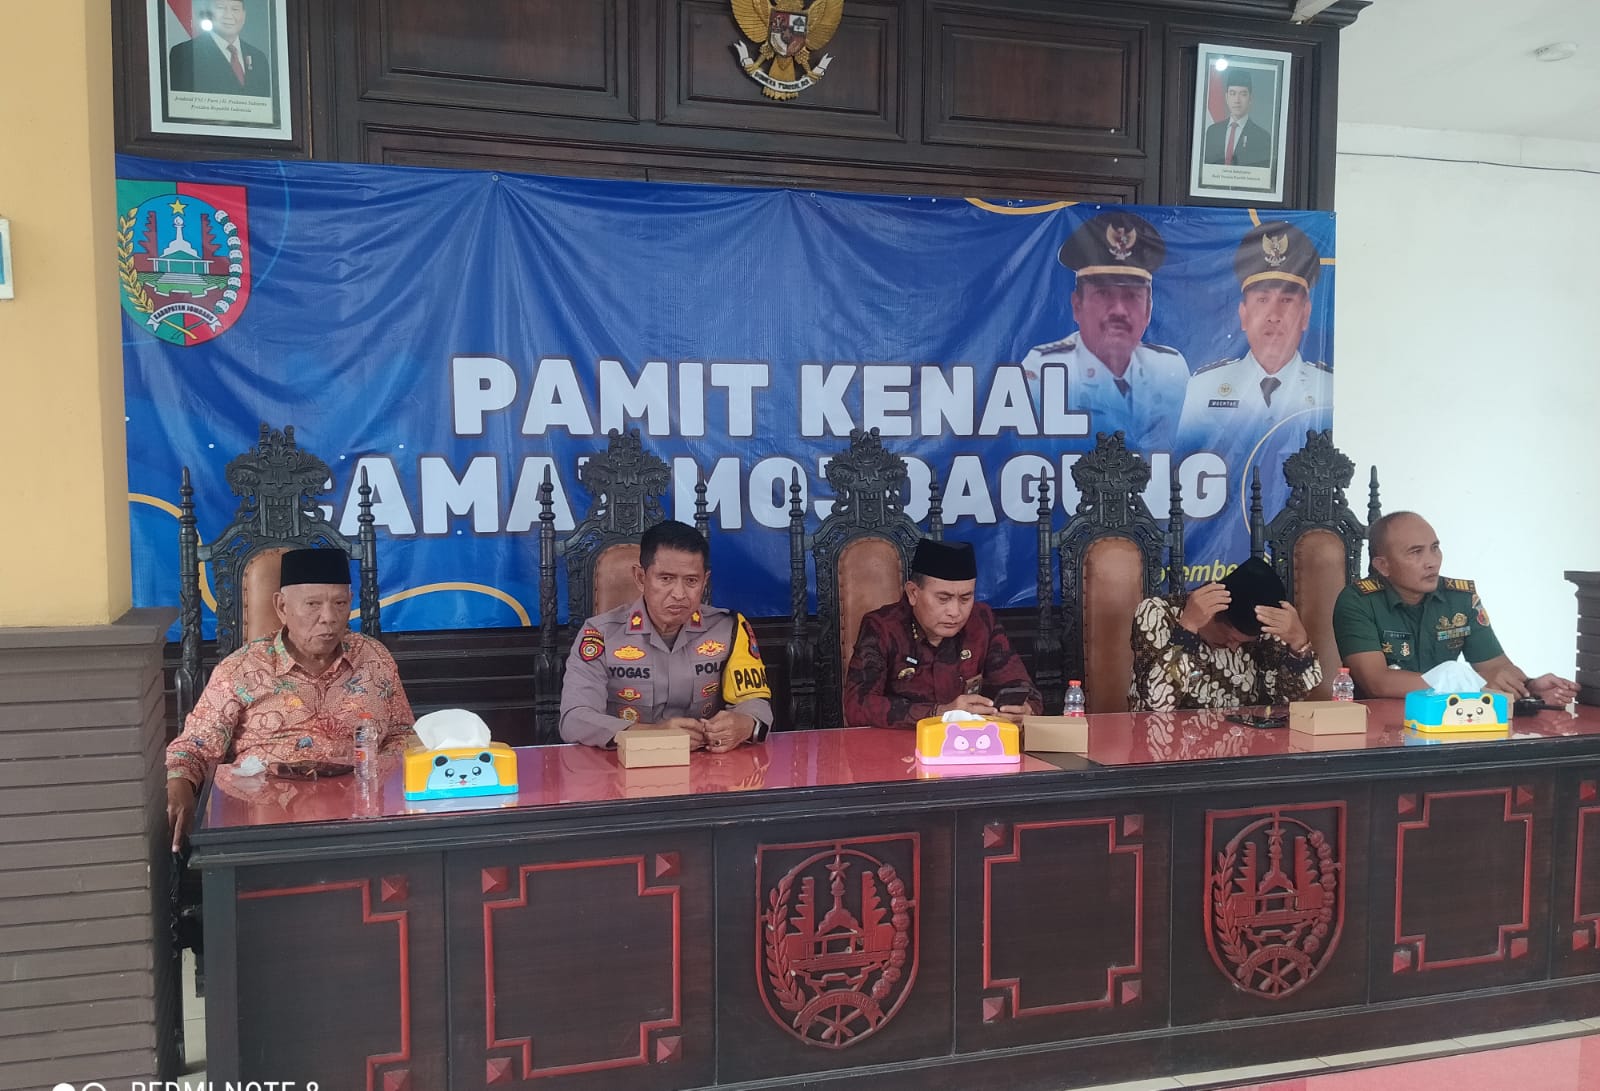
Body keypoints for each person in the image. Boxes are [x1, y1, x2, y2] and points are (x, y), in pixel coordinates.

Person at [165, 548, 415, 849]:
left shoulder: (374, 658)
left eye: (339, 603)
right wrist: (180, 785)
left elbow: (403, 735)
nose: (329, 618)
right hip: (268, 831)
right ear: (282, 606)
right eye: (313, 604)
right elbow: (194, 748)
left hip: (361, 824)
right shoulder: (241, 669)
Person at [560, 520, 773, 750]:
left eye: (691, 581)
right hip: (625, 763)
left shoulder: (728, 629)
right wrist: (652, 734)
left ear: (704, 581)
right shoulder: (599, 634)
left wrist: (746, 723)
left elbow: (754, 701)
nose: (679, 594)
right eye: (666, 579)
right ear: (641, 578)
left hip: (709, 763)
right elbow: (574, 719)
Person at [1332, 511, 1580, 703]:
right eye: (1416, 552)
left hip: (1451, 720)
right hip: (1381, 727)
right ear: (1383, 566)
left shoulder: (1459, 599)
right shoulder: (1358, 601)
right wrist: (1463, 684)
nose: (1432, 562)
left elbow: (1495, 668)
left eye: (1435, 548)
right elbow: (1378, 683)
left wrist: (1531, 687)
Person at [1020, 211, 1190, 451]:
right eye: (1103, 294)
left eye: (1132, 296)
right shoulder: (1045, 368)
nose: (1118, 310)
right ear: (1077, 305)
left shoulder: (1170, 369)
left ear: (1148, 310)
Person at [843, 539, 1042, 729]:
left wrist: (1025, 710)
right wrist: (941, 713)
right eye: (943, 599)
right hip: (901, 745)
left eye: (965, 598)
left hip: (969, 745)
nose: (955, 612)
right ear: (913, 593)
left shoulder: (982, 621)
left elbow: (1025, 689)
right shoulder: (883, 627)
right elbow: (857, 706)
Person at [1178, 220, 1331, 447]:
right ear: (1243, 314)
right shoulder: (1204, 387)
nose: (1274, 316)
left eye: (1286, 300)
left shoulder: (1328, 389)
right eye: (1262, 300)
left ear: (1305, 314)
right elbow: (1183, 462)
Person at [1129, 557, 1321, 711]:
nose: (1234, 648)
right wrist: (1187, 630)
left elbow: (1287, 699)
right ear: (1212, 612)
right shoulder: (1159, 613)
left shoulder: (1264, 627)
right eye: (1230, 638)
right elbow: (1158, 703)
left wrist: (1299, 644)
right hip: (1168, 743)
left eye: (1243, 643)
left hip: (1246, 743)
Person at [168, 0, 272, 97]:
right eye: (221, 8)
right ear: (208, 13)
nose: (228, 15)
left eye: (235, 9)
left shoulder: (259, 58)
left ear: (244, 15)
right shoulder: (185, 54)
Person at [1202, 68, 1272, 168]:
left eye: (1243, 94)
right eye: (1232, 93)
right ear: (1226, 97)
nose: (1237, 100)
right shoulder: (1213, 132)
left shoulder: (1262, 137)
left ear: (1250, 98)